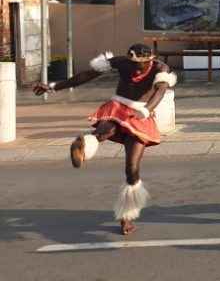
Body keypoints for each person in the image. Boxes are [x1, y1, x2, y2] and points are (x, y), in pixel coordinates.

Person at [32, 44, 176, 235]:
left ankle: (127, 213)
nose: (136, 69)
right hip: (118, 107)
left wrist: (145, 109)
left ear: (150, 59)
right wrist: (53, 87)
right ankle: (82, 148)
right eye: (133, 64)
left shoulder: (160, 68)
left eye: (141, 65)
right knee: (102, 132)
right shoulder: (122, 62)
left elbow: (160, 91)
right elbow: (86, 75)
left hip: (140, 114)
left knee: (132, 169)